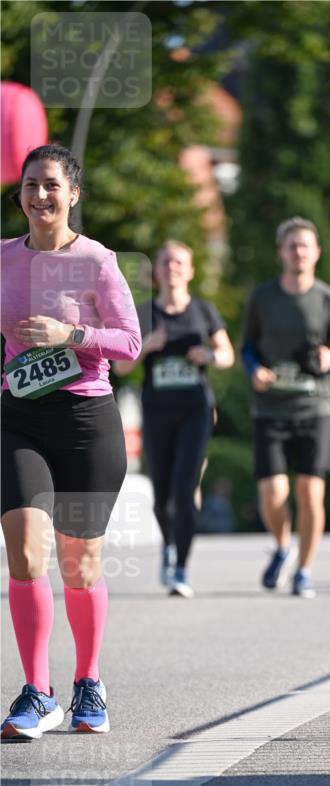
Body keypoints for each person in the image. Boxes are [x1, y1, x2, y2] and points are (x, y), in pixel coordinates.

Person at [1, 144, 141, 739]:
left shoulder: (97, 261)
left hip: (87, 423)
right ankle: (38, 692)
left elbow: (130, 343)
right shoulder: (4, 257)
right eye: (31, 185)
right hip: (19, 420)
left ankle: (89, 681)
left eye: (52, 185)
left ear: (73, 194)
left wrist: (71, 333)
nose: (40, 195)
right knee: (26, 555)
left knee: (79, 565)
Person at [241, 217, 330, 598]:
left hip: (315, 408)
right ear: (281, 253)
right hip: (270, 409)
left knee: (310, 494)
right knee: (273, 495)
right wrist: (255, 370)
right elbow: (247, 347)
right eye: (292, 246)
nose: (299, 252)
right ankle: (282, 546)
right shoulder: (262, 297)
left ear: (316, 252)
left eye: (305, 245)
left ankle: (304, 570)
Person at [114, 241, 234, 597]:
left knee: (185, 488)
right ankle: (167, 547)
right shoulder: (143, 313)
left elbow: (227, 354)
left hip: (195, 410)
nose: (172, 268)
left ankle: (181, 567)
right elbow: (120, 366)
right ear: (157, 271)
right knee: (161, 494)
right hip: (157, 411)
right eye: (166, 262)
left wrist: (209, 355)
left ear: (191, 270)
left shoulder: (204, 311)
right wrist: (147, 346)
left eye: (179, 262)